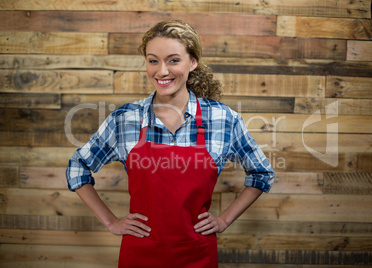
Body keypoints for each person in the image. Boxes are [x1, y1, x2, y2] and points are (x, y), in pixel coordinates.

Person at [66, 19, 275, 268]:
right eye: (153, 60)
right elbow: (77, 166)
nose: (162, 71)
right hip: (140, 254)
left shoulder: (222, 119)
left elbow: (261, 172)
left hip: (197, 254)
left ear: (193, 62)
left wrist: (224, 220)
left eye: (173, 60)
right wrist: (111, 222)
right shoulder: (125, 119)